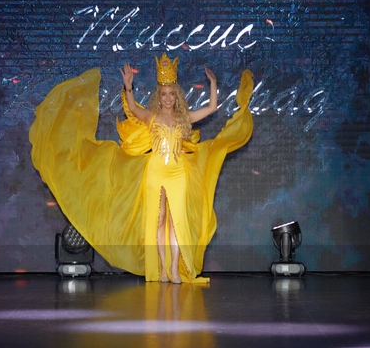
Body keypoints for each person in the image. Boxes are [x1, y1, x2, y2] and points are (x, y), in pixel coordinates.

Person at [30, 54, 254, 283]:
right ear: (159, 96)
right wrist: (128, 86)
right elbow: (132, 107)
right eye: (164, 94)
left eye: (171, 94)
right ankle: (162, 269)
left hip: (178, 173)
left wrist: (213, 83)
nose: (168, 98)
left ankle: (174, 268)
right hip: (155, 173)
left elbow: (212, 107)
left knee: (176, 221)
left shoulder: (184, 118)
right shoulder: (151, 117)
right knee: (159, 219)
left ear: (177, 96)